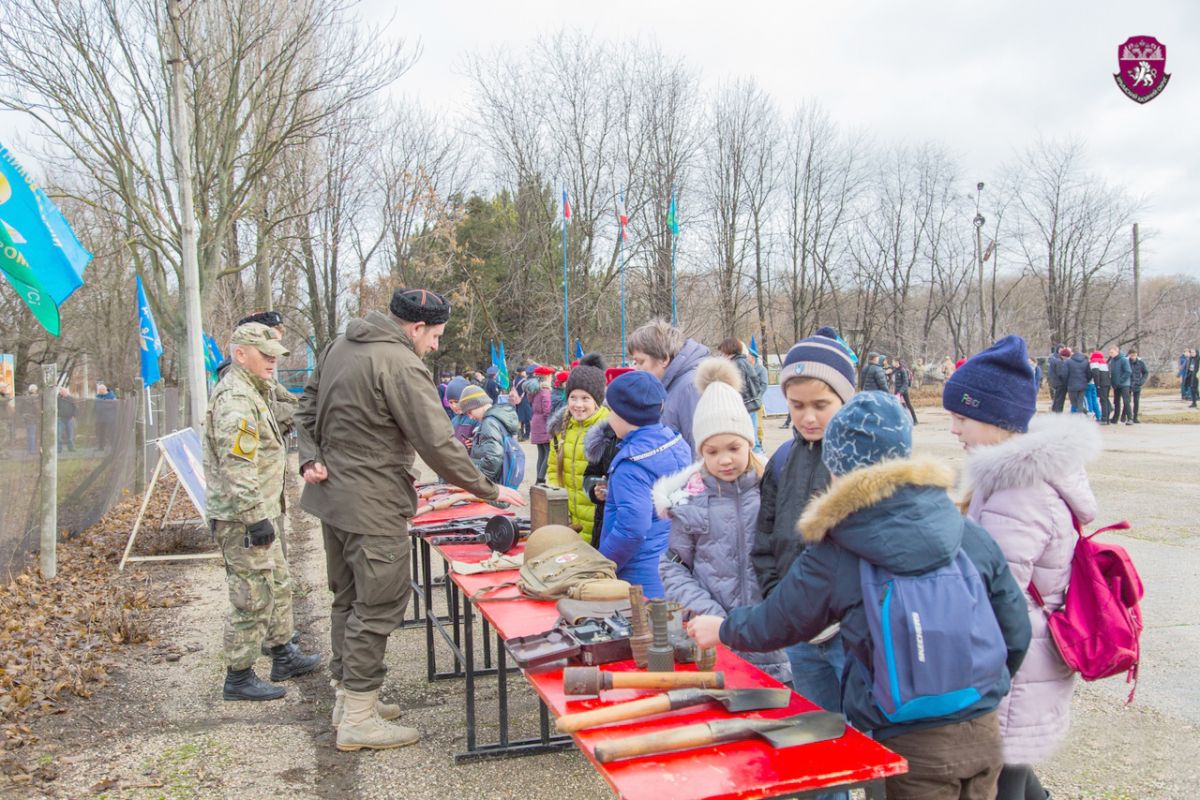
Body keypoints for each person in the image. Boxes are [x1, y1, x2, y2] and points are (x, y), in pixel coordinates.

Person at [689, 392, 1031, 800]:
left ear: (836, 470)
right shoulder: (965, 530)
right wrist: (987, 688)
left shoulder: (840, 549)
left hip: (906, 741)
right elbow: (1016, 628)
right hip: (984, 729)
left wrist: (723, 628)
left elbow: (778, 622)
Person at [296, 288, 525, 751]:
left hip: (331, 498)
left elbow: (305, 410)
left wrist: (309, 458)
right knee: (379, 601)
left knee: (350, 597)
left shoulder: (338, 345)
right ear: (415, 328)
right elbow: (437, 442)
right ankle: (358, 719)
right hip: (372, 502)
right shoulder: (400, 363)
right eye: (435, 335)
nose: (436, 346)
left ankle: (351, 697)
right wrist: (488, 489)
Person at [944, 335, 1100, 800]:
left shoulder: (1019, 490)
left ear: (996, 419)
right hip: (1026, 655)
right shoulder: (1013, 480)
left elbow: (994, 591)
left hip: (1015, 661)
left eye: (961, 418)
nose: (954, 430)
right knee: (1016, 773)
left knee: (1002, 776)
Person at [751, 328, 857, 800]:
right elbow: (765, 540)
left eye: (821, 405)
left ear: (846, 399)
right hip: (801, 632)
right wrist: (780, 600)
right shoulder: (781, 459)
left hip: (851, 634)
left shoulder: (861, 461)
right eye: (797, 406)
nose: (808, 417)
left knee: (860, 744)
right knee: (815, 740)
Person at [204, 322, 322, 703]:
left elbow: (292, 406)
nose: (273, 361)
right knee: (252, 596)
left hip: (262, 510)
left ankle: (283, 652)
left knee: (278, 584)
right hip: (243, 517)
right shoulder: (236, 400)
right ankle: (238, 677)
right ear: (241, 354)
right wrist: (255, 518)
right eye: (265, 355)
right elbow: (237, 465)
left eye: (275, 355)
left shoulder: (259, 389)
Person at [656, 358, 790, 684]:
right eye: (712, 451)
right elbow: (673, 566)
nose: (725, 459)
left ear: (749, 442)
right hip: (716, 648)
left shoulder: (774, 491)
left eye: (733, 447)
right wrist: (710, 614)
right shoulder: (689, 499)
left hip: (778, 645)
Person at [600, 370, 693, 598]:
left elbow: (631, 529)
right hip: (674, 564)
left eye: (611, 411)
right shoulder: (677, 443)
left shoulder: (631, 465)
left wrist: (602, 567)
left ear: (624, 415)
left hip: (639, 575)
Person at [547, 359, 609, 544]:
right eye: (573, 397)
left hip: (598, 522)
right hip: (569, 522)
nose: (578, 405)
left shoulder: (609, 430)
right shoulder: (560, 430)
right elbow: (552, 471)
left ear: (597, 400)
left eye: (585, 398)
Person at [627, 319, 710, 451]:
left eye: (641, 362)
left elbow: (700, 450)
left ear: (664, 359)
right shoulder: (669, 386)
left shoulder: (690, 387)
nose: (636, 369)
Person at [581, 366, 633, 549]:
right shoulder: (603, 436)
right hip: (604, 522)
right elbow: (589, 475)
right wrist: (595, 489)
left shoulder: (649, 440)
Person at [457, 384, 520, 485]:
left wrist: (479, 483)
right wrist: (476, 444)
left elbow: (493, 457)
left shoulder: (489, 423)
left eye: (469, 412)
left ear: (478, 405)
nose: (470, 417)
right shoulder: (497, 418)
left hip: (494, 484)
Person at [529, 366, 555, 483]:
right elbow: (547, 410)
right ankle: (540, 479)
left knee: (541, 453)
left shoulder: (534, 390)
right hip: (544, 424)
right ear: (547, 377)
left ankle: (538, 479)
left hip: (536, 421)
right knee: (548, 452)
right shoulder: (545, 391)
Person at [748, 343, 770, 451]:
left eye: (748, 356)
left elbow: (764, 385)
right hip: (748, 403)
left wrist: (757, 397)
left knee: (758, 426)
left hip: (757, 402)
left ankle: (759, 445)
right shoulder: (747, 368)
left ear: (752, 358)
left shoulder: (761, 370)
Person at [1108, 345, 1132, 425]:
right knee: (1116, 402)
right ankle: (1115, 418)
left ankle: (1130, 418)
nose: (1110, 354)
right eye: (1110, 352)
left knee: (1126, 401)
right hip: (1116, 384)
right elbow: (1112, 373)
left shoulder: (1123, 360)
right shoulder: (1112, 361)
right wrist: (1113, 382)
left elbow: (1128, 371)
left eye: (1112, 352)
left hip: (1124, 384)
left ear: (1116, 351)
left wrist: (1120, 381)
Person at [1065, 348, 1090, 414]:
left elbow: (1065, 374)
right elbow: (1089, 373)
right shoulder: (1086, 361)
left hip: (1072, 384)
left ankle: (1084, 412)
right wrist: (1086, 380)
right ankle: (1082, 413)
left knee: (1073, 402)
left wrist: (1066, 382)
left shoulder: (1068, 362)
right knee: (1080, 401)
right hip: (1083, 384)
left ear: (1072, 353)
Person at [1089, 351, 1111, 424]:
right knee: (1106, 400)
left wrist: (1097, 384)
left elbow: (1096, 373)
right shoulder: (1103, 362)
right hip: (1107, 383)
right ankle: (1107, 418)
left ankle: (1104, 419)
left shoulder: (1094, 361)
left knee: (1103, 401)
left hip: (1101, 384)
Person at [95, 383, 118, 450]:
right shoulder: (98, 396)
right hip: (100, 419)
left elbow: (114, 406)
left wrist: (105, 403)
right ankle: (101, 447)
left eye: (99, 390)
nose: (98, 391)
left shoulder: (112, 396)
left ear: (103, 390)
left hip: (110, 419)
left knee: (111, 433)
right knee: (101, 434)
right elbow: (96, 406)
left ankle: (113, 447)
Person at [893, 359, 917, 424]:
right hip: (897, 391)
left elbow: (905, 383)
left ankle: (915, 420)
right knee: (898, 406)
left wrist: (900, 392)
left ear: (897, 362)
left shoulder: (902, 370)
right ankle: (901, 420)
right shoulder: (895, 370)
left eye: (894, 362)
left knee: (908, 405)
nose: (893, 363)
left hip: (903, 391)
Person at [1129, 350, 1148, 423]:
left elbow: (1145, 372)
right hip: (1129, 384)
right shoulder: (1127, 362)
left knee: (1136, 401)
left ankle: (1135, 417)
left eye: (1135, 355)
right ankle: (1127, 415)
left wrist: (1142, 381)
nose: (1133, 357)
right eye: (1132, 355)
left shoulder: (1140, 363)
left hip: (1137, 384)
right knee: (1127, 401)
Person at [1046, 347, 1067, 413]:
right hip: (1060, 383)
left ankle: (1054, 409)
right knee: (1060, 399)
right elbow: (1060, 373)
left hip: (1054, 382)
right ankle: (1058, 412)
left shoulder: (1053, 359)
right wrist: (1065, 381)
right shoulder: (1058, 361)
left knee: (1056, 397)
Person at [20, 384, 39, 455]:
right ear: (34, 390)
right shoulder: (35, 399)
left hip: (25, 418)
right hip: (32, 418)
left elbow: (20, 409)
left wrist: (22, 416)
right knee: (32, 435)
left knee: (28, 435)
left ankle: (29, 450)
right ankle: (32, 450)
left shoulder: (24, 398)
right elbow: (37, 409)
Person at [56, 387, 76, 452]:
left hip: (69, 419)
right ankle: (59, 448)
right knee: (59, 434)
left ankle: (71, 448)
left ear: (66, 392)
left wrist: (74, 416)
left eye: (64, 392)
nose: (62, 393)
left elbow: (75, 408)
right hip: (60, 419)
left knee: (70, 435)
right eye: (61, 392)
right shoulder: (58, 399)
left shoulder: (71, 399)